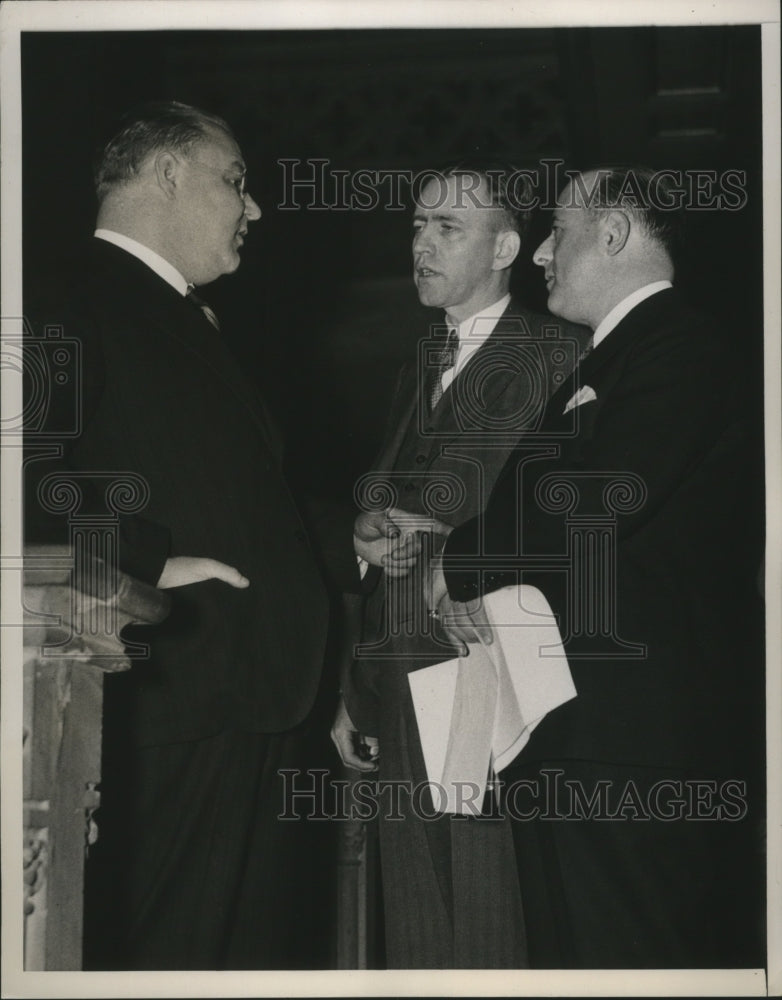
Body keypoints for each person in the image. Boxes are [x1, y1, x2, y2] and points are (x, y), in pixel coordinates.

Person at [23, 100, 410, 970]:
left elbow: (239, 497)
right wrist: (148, 558)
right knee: (166, 960)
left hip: (255, 703)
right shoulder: (65, 295)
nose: (255, 207)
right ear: (167, 176)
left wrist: (348, 531)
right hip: (172, 703)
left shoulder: (184, 317)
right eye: (235, 181)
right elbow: (18, 476)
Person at [434, 166, 765, 968]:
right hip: (580, 730)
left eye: (560, 230)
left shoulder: (681, 345)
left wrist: (459, 557)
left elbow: (597, 500)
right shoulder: (610, 361)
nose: (543, 251)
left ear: (614, 235)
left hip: (635, 745)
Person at [330, 161, 589, 968]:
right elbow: (390, 524)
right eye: (416, 225)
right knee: (416, 924)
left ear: (507, 245)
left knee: (484, 915)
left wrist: (442, 531)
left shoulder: (561, 354)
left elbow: (570, 516)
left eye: (448, 228)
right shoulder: (417, 365)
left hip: (486, 670)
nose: (421, 244)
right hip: (396, 674)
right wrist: (353, 687)